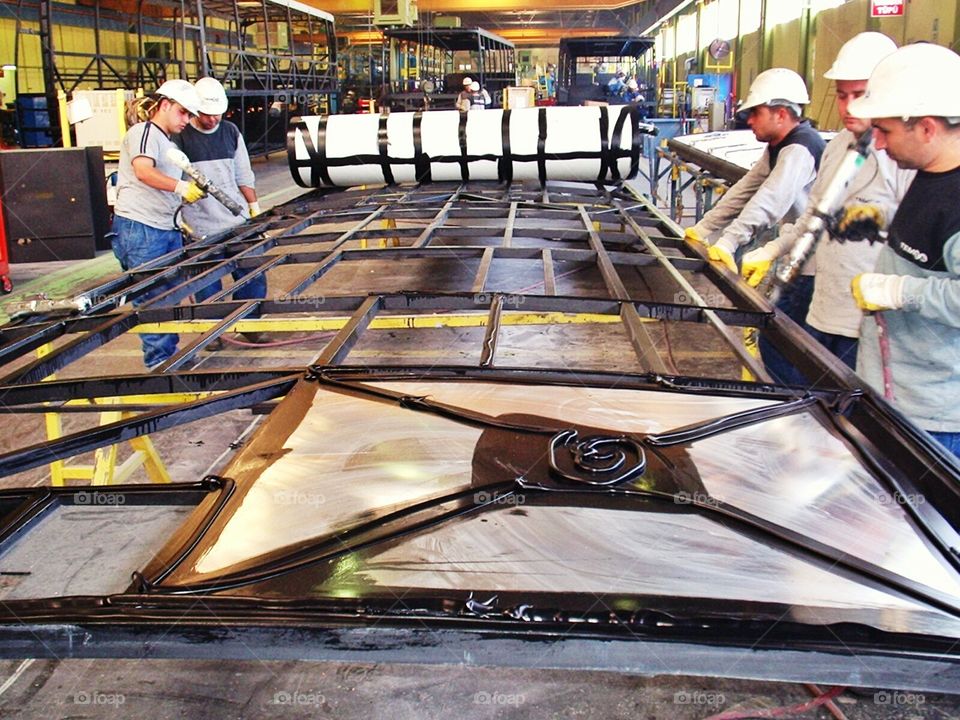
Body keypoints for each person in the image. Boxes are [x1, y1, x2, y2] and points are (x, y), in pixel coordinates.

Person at [738, 33, 912, 379]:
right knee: (804, 390)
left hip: (869, 324)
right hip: (825, 309)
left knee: (857, 419)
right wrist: (772, 249)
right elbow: (813, 218)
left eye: (859, 95)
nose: (848, 107)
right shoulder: (838, 149)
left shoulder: (904, 159)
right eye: (841, 95)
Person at [845, 42, 960, 458]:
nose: (876, 143)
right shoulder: (930, 175)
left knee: (927, 519)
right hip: (895, 395)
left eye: (886, 131)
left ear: (927, 128)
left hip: (934, 420)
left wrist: (898, 292)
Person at [684, 67, 825, 381]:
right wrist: (705, 228)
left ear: (781, 113)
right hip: (796, 254)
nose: (749, 120)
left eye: (755, 113)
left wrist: (729, 241)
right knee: (781, 340)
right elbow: (746, 189)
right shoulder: (779, 145)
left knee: (785, 342)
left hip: (813, 264)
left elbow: (770, 201)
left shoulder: (799, 148)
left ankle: (792, 407)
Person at [112, 79, 205, 370]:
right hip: (142, 228)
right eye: (182, 113)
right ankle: (160, 364)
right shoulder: (144, 132)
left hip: (164, 228)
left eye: (190, 115)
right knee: (152, 296)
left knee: (168, 294)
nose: (187, 121)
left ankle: (170, 356)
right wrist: (180, 187)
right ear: (164, 105)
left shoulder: (165, 142)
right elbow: (143, 171)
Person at [172, 76, 267, 344]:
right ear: (194, 109)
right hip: (200, 226)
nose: (213, 120)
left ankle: (249, 325)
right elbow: (172, 180)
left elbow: (243, 174)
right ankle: (211, 332)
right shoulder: (181, 137)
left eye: (217, 114)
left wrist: (254, 209)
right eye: (206, 114)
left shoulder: (230, 132)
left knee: (253, 274)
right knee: (207, 283)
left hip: (235, 221)